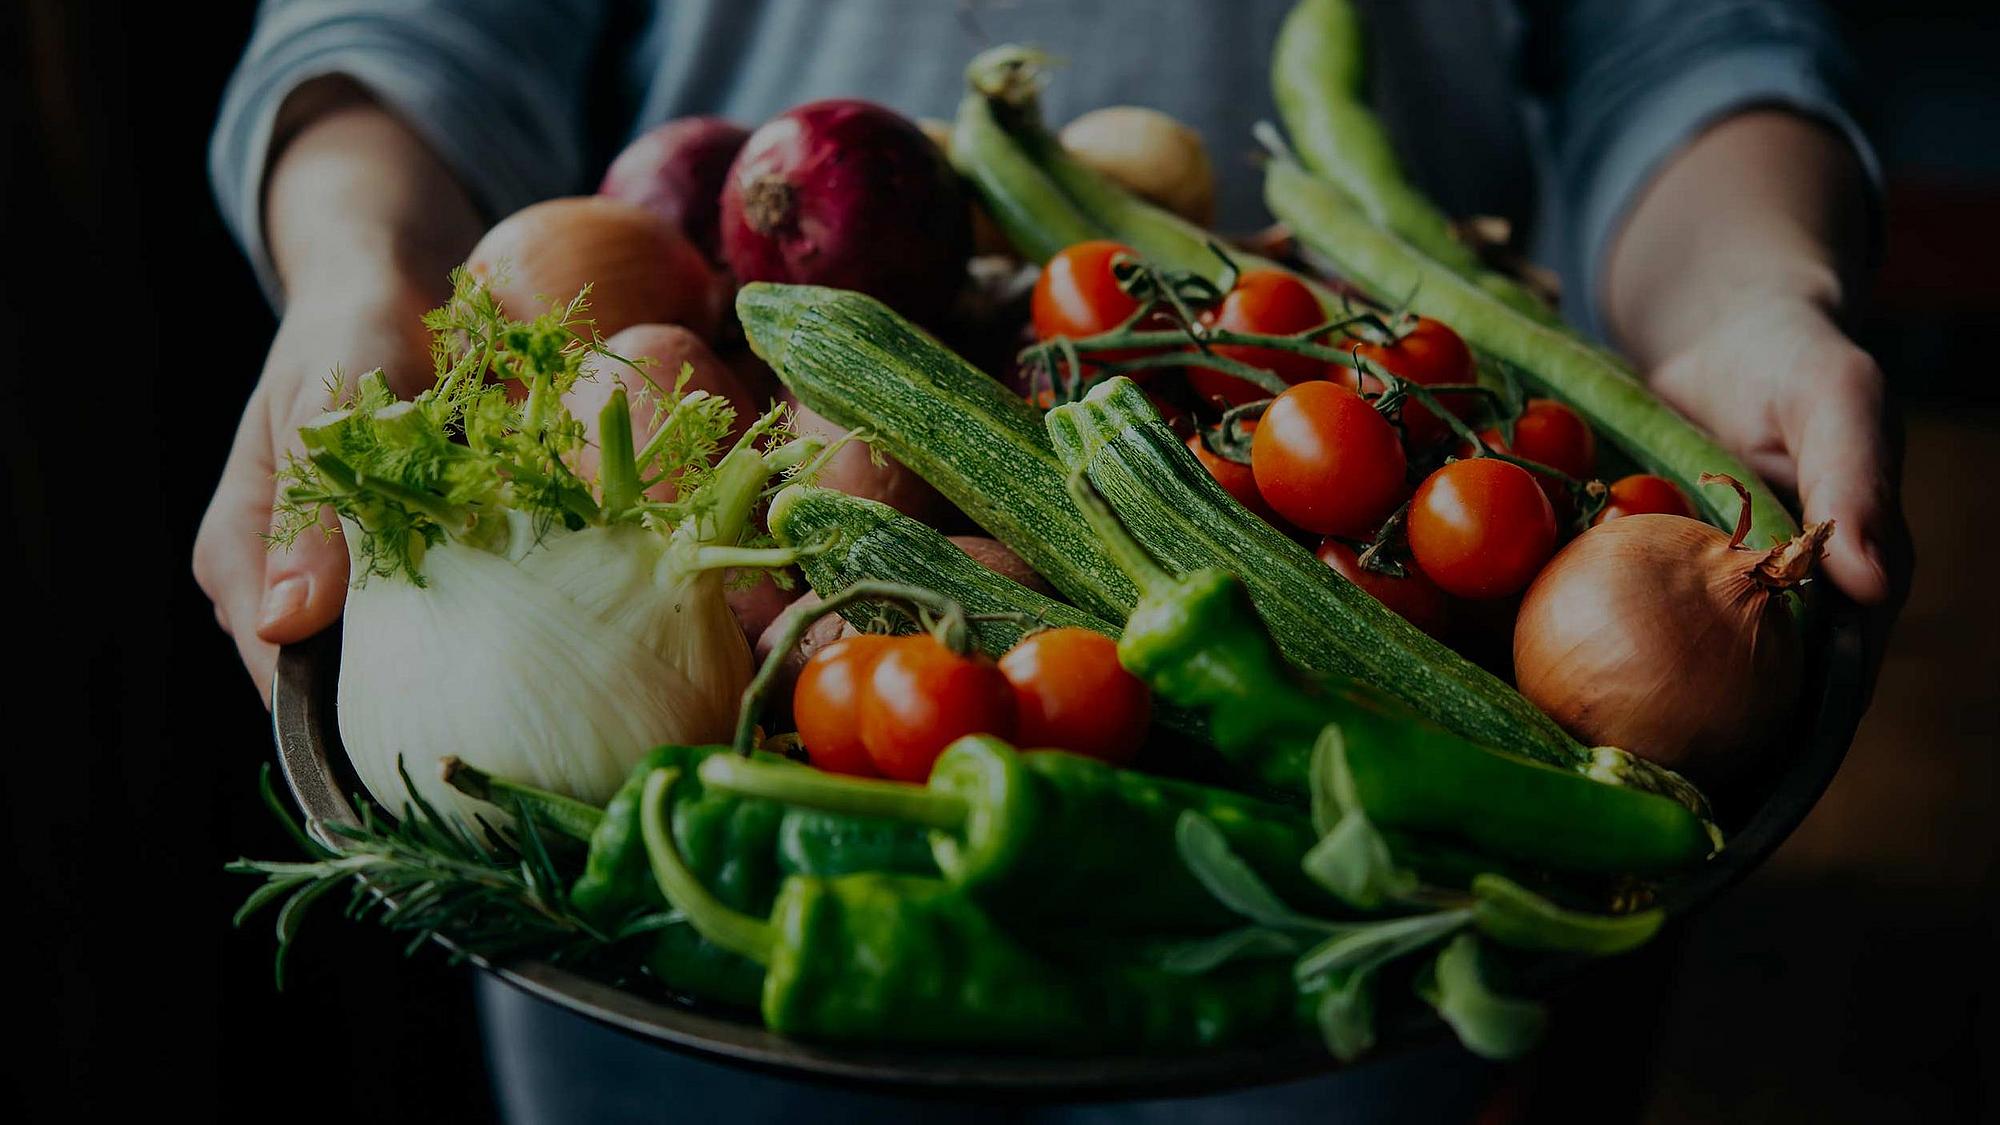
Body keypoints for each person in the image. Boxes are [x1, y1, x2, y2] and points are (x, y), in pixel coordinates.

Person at [195, 1, 1910, 1119]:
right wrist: (363, 267)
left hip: (1364, 897)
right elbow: (410, 26)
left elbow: (1681, 38)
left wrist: (1759, 289)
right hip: (695, 824)